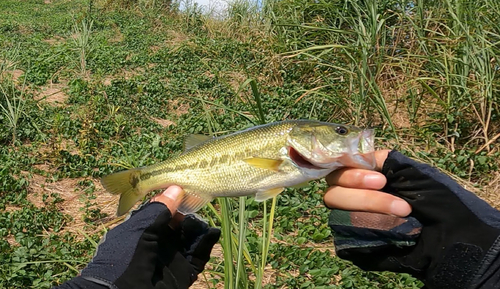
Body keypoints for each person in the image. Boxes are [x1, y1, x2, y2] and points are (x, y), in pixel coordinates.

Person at [54, 150, 500, 289]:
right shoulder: (288, 152)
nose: (347, 138)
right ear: (302, 141)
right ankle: (140, 181)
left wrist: (482, 265)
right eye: (338, 134)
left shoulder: (297, 160)